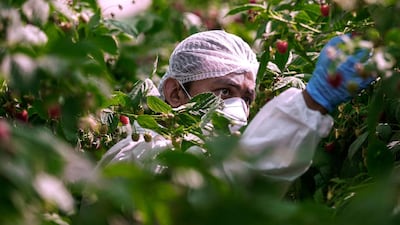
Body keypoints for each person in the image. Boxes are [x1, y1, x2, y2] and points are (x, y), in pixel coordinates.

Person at [96, 30, 374, 191]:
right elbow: (224, 186)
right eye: (224, 91)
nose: (237, 108)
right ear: (175, 93)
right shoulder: (140, 155)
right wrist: (312, 102)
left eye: (247, 98)